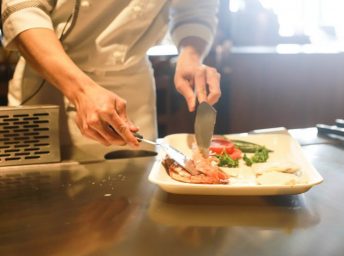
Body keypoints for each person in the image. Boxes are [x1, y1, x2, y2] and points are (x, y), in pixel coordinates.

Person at [1, 0, 221, 147]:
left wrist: (191, 55)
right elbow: (23, 10)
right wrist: (81, 91)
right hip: (53, 80)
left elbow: (195, 9)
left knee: (136, 202)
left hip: (133, 87)